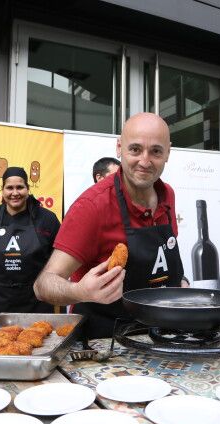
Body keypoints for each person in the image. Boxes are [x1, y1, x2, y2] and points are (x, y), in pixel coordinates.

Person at [34, 113, 188, 339]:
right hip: (105, 344)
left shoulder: (168, 195)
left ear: (168, 153)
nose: (145, 162)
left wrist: (180, 283)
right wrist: (79, 291)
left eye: (155, 151)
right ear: (119, 148)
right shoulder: (92, 206)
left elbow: (163, 258)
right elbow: (43, 285)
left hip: (162, 335)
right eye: (135, 149)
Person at [0, 167, 60, 323]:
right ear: (2, 190)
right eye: (9, 187)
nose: (15, 193)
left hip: (35, 302)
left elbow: (58, 256)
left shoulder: (47, 219)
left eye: (20, 187)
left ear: (28, 189)